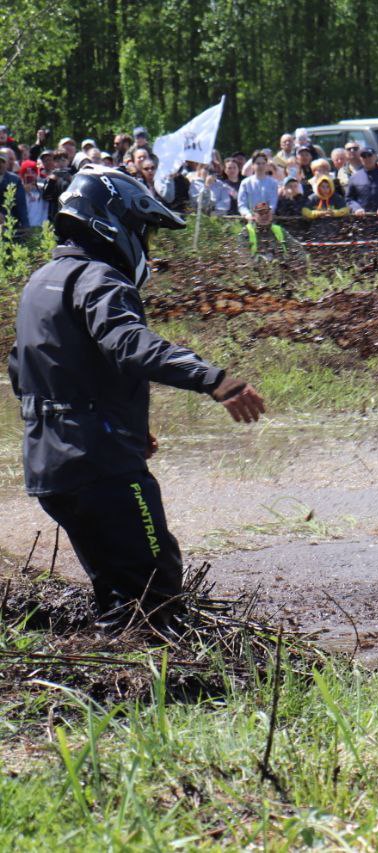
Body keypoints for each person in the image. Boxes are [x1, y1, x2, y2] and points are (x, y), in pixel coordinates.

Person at [9, 166, 265, 636]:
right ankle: (149, 674)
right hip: (98, 464)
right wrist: (215, 379)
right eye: (143, 230)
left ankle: (109, 665)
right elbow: (131, 344)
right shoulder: (99, 279)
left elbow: (22, 373)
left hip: (50, 468)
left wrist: (118, 422)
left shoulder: (41, 282)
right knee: (154, 588)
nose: (145, 242)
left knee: (119, 592)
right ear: (113, 221)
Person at [236, 152, 278, 219]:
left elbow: (273, 203)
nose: (261, 166)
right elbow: (242, 204)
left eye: (263, 163)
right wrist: (247, 214)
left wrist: (266, 215)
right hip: (249, 219)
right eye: (258, 163)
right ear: (252, 165)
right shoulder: (245, 183)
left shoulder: (273, 183)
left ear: (267, 165)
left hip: (267, 219)